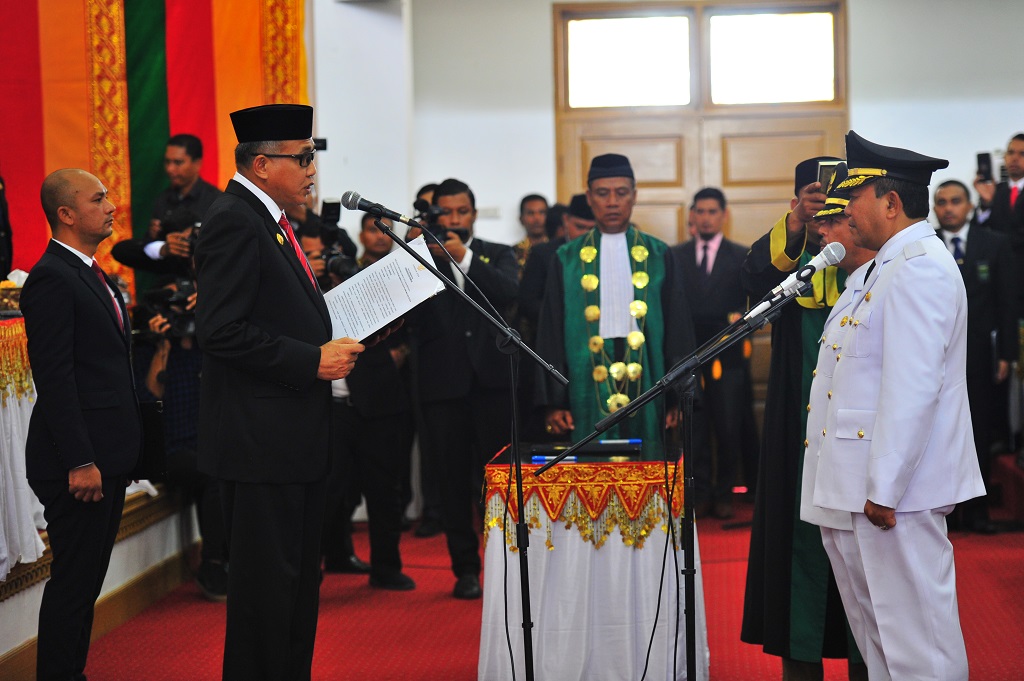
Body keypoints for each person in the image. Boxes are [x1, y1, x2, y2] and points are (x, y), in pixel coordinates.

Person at [193, 103, 366, 680]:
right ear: (262, 164)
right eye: (303, 158)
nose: (313, 169)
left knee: (293, 591)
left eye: (314, 155)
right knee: (267, 599)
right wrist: (311, 359)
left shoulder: (268, 218)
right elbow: (220, 331)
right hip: (259, 444)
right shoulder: (233, 219)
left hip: (289, 441)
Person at [808, 131, 985, 680]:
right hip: (852, 487)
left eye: (854, 200)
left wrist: (884, 488)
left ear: (889, 202)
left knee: (918, 642)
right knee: (878, 636)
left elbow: (913, 389)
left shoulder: (921, 267)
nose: (847, 213)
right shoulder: (877, 269)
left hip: (894, 493)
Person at [741, 156, 868, 680]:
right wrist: (798, 225)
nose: (824, 212)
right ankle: (802, 663)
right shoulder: (791, 256)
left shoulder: (874, 253)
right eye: (813, 199)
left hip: (862, 427)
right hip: (798, 428)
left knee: (863, 552)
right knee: (799, 545)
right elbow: (749, 277)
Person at [22, 168, 142, 681]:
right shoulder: (52, 276)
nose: (112, 204)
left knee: (85, 581)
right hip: (80, 462)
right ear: (66, 214)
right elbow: (55, 377)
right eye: (99, 198)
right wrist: (81, 459)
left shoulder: (92, 271)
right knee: (74, 584)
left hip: (106, 455)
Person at [535, 154, 695, 459]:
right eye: (602, 193)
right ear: (589, 197)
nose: (612, 202)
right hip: (585, 375)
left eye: (621, 193)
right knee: (591, 464)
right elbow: (551, 330)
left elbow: (678, 327)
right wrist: (554, 401)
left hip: (648, 374)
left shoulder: (659, 254)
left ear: (634, 197)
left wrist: (677, 397)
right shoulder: (566, 259)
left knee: (647, 461)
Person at [405, 178, 519, 599]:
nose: (454, 220)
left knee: (498, 481)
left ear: (473, 213)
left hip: (492, 386)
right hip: (442, 388)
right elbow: (404, 313)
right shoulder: (419, 256)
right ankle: (465, 569)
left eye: (462, 212)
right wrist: (413, 252)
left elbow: (511, 293)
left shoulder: (497, 253)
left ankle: (507, 564)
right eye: (446, 213)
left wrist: (465, 257)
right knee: (451, 483)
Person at [934, 179, 1017, 533]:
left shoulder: (994, 243)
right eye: (941, 202)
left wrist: (1008, 353)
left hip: (981, 355)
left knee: (977, 431)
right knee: (939, 434)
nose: (948, 208)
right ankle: (945, 512)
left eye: (955, 201)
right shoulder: (926, 245)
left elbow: (1008, 301)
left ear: (969, 206)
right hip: (933, 357)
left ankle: (979, 511)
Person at [671, 187, 756, 519]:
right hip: (689, 353)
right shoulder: (675, 255)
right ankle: (701, 492)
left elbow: (751, 303)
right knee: (695, 425)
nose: (705, 217)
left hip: (728, 355)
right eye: (700, 211)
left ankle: (724, 494)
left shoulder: (741, 255)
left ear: (724, 215)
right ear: (692, 215)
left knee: (729, 425)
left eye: (712, 211)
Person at [143, 281, 229, 601]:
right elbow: (151, 400)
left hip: (205, 445)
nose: (183, 316)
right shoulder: (153, 347)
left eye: (187, 307)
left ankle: (243, 561)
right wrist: (162, 346)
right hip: (167, 451)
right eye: (175, 309)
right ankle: (212, 566)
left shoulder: (210, 344)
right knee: (214, 473)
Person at [110, 134, 221, 277]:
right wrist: (157, 240)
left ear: (197, 163)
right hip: (167, 280)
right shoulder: (163, 199)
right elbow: (146, 250)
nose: (170, 169)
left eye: (178, 162)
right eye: (167, 162)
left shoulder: (216, 200)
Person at [512, 193, 549, 272]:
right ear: (521, 219)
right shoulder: (513, 253)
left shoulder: (557, 249)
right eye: (530, 213)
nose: (537, 218)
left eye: (542, 212)